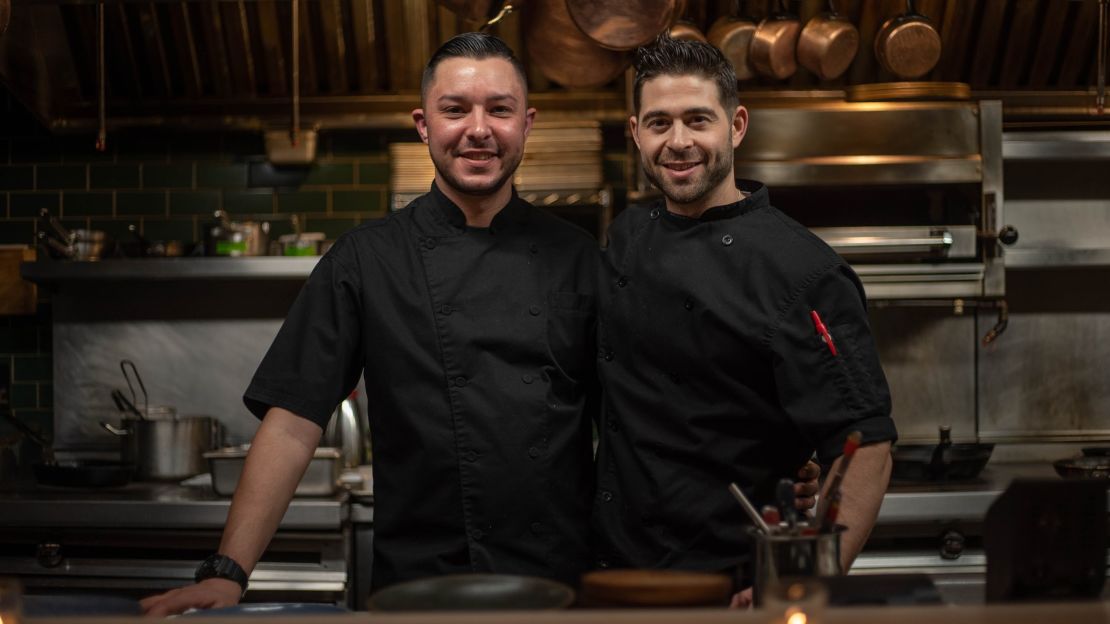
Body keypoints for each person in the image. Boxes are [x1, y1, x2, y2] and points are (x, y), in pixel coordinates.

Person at [140, 32, 600, 616]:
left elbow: (629, 428)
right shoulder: (365, 260)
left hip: (560, 588)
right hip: (421, 587)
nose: (479, 129)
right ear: (423, 124)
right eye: (455, 109)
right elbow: (293, 422)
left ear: (527, 124)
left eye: (500, 109)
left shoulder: (580, 258)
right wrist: (227, 572)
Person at [591, 35, 897, 606]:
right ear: (636, 133)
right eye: (659, 123)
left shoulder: (803, 272)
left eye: (697, 121)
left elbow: (866, 448)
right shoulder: (628, 236)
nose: (678, 142)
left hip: (730, 588)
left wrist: (800, 582)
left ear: (736, 126)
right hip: (614, 577)